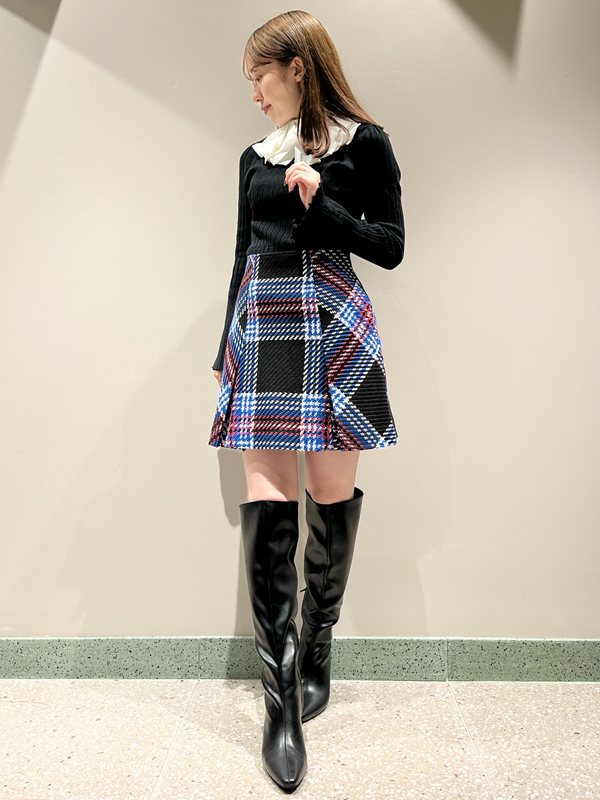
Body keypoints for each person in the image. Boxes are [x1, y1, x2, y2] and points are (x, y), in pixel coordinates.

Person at [208, 10, 404, 792]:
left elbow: (390, 245)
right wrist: (224, 345)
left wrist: (323, 209)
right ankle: (280, 702)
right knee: (268, 496)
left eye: (259, 74)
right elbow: (241, 251)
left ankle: (316, 650)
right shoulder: (253, 156)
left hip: (332, 313)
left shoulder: (366, 142)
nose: (253, 92)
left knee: (330, 494)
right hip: (263, 318)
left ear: (297, 67)